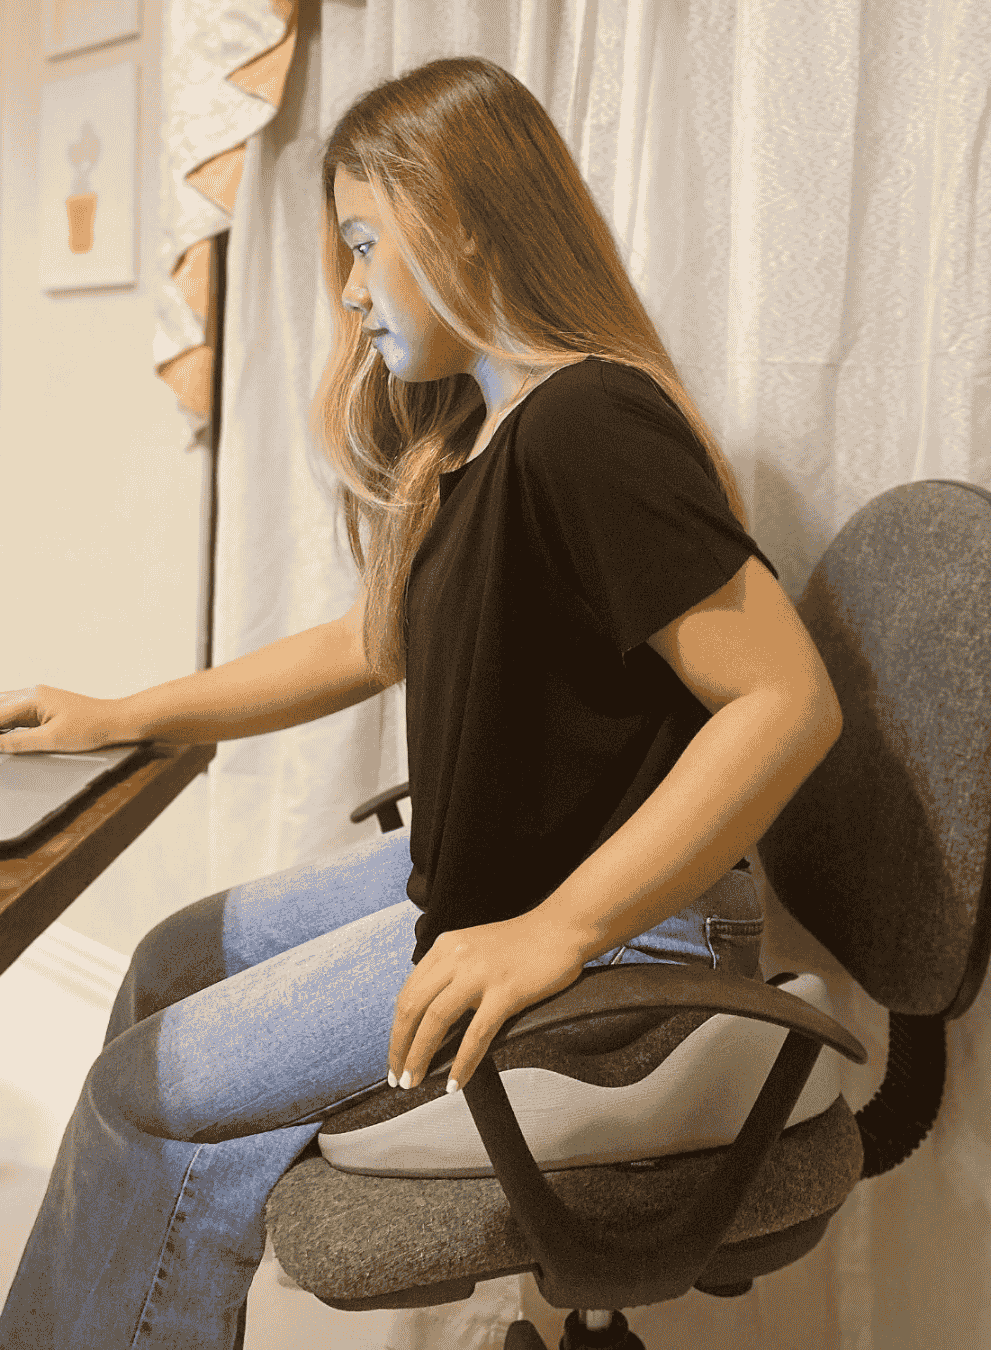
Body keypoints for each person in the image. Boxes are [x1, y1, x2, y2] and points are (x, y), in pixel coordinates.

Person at [0, 55, 842, 1349]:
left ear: (465, 222)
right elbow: (370, 639)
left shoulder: (591, 424)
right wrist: (126, 712)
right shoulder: (481, 439)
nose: (347, 291)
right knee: (172, 957)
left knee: (143, 1095)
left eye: (362, 245)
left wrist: (557, 929)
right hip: (492, 881)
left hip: (637, 936)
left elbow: (785, 701)